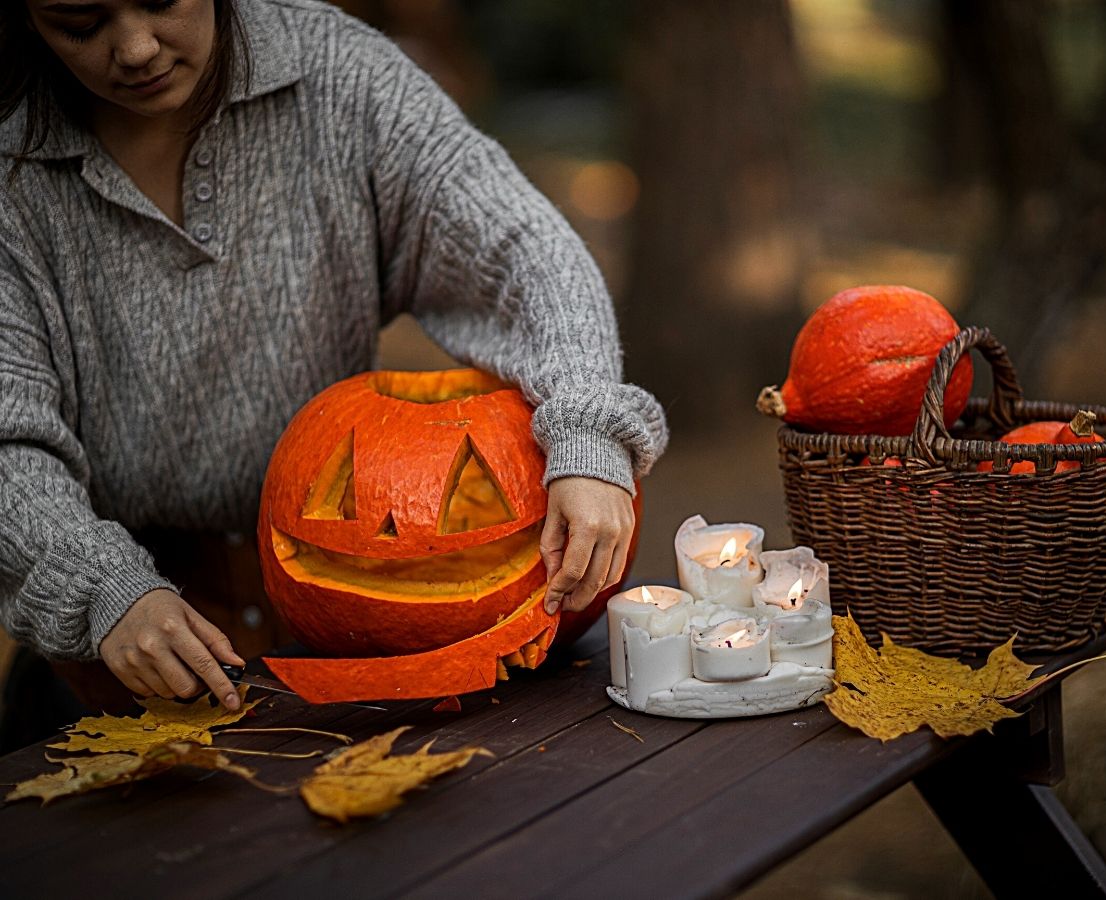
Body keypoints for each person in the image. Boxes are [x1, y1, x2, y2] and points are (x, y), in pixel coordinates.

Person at [0, 0, 667, 721]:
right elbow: (7, 434)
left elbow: (520, 247)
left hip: (350, 636)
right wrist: (101, 586)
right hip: (119, 655)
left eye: (163, 0)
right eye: (79, 21)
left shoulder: (337, 73)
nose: (133, 47)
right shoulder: (12, 165)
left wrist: (588, 421)